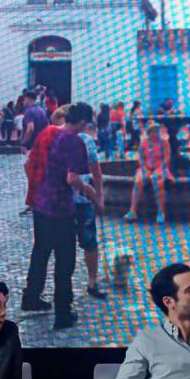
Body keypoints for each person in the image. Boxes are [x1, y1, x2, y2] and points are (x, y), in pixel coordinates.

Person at [22, 102, 97, 330]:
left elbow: (28, 164)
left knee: (41, 251)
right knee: (65, 259)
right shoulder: (74, 142)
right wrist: (90, 190)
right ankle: (62, 312)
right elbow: (72, 179)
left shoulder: (47, 132)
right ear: (83, 122)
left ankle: (31, 297)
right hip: (60, 208)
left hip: (39, 203)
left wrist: (39, 186)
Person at [75, 113, 107, 299]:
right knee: (90, 242)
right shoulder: (86, 140)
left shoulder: (56, 135)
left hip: (62, 200)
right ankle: (92, 281)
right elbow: (96, 170)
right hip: (83, 197)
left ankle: (64, 287)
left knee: (65, 245)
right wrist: (99, 196)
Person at [125, 119, 172, 224]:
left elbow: (167, 158)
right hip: (146, 168)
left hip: (160, 168)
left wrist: (159, 170)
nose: (155, 133)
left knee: (158, 183)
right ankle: (132, 210)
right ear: (149, 132)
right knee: (138, 182)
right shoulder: (144, 142)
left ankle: (161, 212)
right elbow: (141, 158)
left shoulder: (164, 142)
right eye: (153, 131)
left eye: (157, 131)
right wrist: (144, 169)